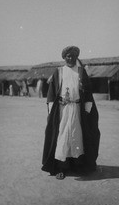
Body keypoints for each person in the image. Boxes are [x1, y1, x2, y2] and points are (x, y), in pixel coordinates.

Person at [41, 46, 100, 179]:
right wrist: (51, 110)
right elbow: (52, 92)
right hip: (63, 110)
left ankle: (78, 166)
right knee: (63, 137)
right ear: (64, 57)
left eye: (73, 56)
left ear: (76, 57)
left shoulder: (81, 71)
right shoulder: (59, 71)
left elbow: (88, 90)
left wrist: (86, 110)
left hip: (78, 111)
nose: (70, 58)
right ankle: (61, 168)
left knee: (77, 137)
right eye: (68, 56)